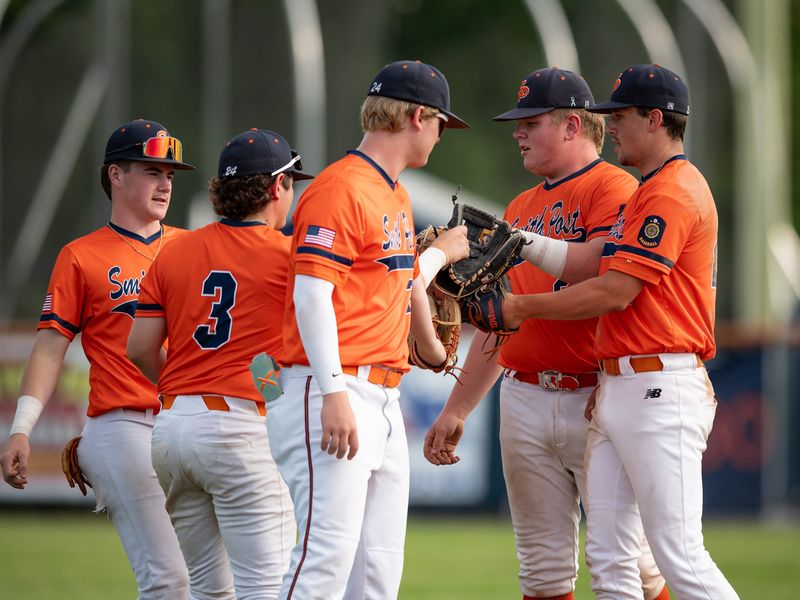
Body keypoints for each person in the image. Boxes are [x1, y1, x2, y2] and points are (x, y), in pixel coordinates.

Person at [424, 67, 669, 600]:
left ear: (573, 126)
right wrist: (458, 408)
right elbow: (500, 322)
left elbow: (607, 279)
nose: (517, 132)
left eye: (530, 122)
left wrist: (520, 300)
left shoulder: (615, 189)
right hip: (524, 394)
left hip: (596, 391)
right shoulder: (520, 206)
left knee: (632, 568)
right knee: (541, 569)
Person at [496, 65, 739, 599]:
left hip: (661, 384)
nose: (611, 128)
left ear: (655, 119)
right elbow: (591, 262)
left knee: (678, 555)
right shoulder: (652, 190)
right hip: (622, 382)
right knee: (611, 560)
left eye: (620, 116)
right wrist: (519, 242)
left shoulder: (672, 191)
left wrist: (520, 306)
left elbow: (614, 291)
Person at [268, 59, 470, 600]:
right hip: (332, 388)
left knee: (377, 575)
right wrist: (333, 392)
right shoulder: (340, 188)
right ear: (417, 116)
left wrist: (432, 352)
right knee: (322, 566)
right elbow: (311, 295)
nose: (440, 135)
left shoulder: (397, 194)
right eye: (441, 124)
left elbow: (405, 290)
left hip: (382, 394)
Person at [0, 119, 194, 598]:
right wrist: (21, 428)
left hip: (190, 423)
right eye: (151, 171)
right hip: (124, 425)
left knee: (216, 579)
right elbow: (51, 346)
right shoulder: (80, 256)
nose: (165, 183)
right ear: (115, 176)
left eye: (170, 173)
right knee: (169, 580)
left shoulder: (193, 246)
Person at [127, 129, 311, 599]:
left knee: (210, 593)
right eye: (290, 182)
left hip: (171, 430)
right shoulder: (288, 256)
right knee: (266, 591)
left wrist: (190, 392)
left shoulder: (174, 249)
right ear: (275, 188)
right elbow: (279, 356)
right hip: (238, 430)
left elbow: (140, 350)